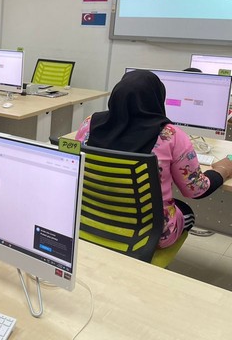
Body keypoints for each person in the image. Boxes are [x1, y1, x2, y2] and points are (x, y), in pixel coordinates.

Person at [75, 69, 232, 248]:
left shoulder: (90, 124)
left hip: (91, 221)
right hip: (146, 234)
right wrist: (224, 169)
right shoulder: (170, 135)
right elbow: (196, 190)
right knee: (186, 211)